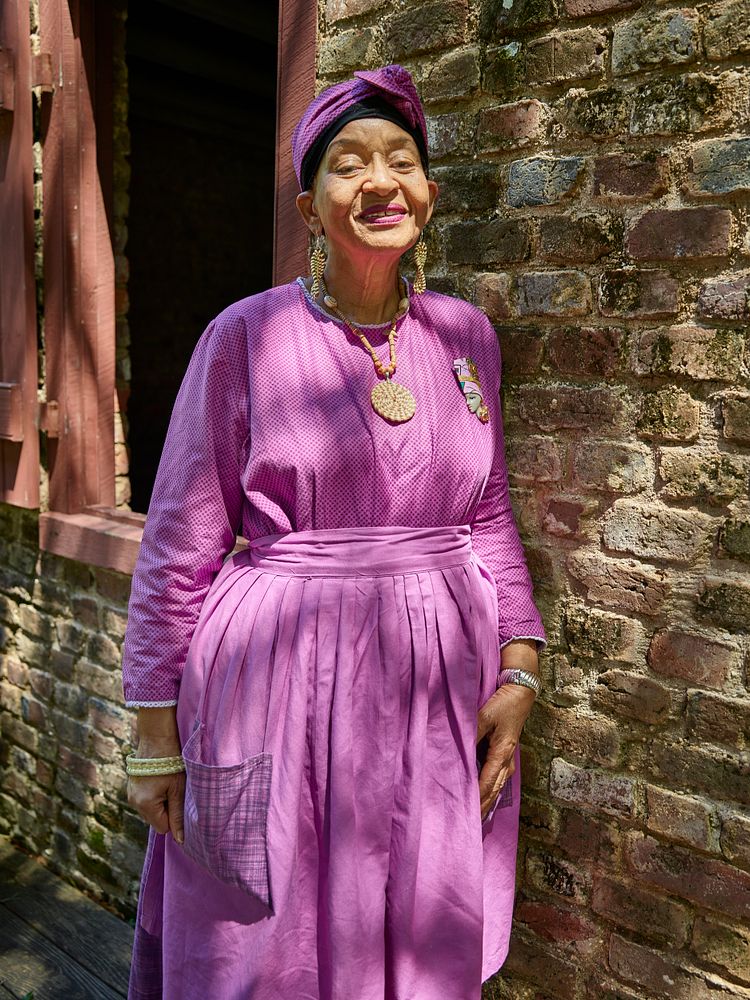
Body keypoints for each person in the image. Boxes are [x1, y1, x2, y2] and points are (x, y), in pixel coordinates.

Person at [122, 64, 546, 1000]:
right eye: (348, 164)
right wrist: (154, 735)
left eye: (401, 159)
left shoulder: (466, 337)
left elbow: (488, 513)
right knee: (254, 934)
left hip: (433, 687)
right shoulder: (246, 337)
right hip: (269, 682)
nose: (380, 181)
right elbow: (179, 544)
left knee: (412, 917)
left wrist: (520, 667)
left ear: (428, 192)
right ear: (311, 207)